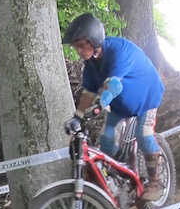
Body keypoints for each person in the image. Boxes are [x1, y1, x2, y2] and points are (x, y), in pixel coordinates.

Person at [62, 12, 166, 199]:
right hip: (120, 106)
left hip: (147, 98)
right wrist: (76, 117)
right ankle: (120, 180)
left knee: (143, 135)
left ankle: (155, 184)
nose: (77, 50)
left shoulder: (120, 50)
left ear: (93, 40)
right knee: (107, 140)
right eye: (76, 47)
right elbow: (88, 93)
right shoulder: (91, 65)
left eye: (80, 45)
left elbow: (114, 85)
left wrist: (99, 105)